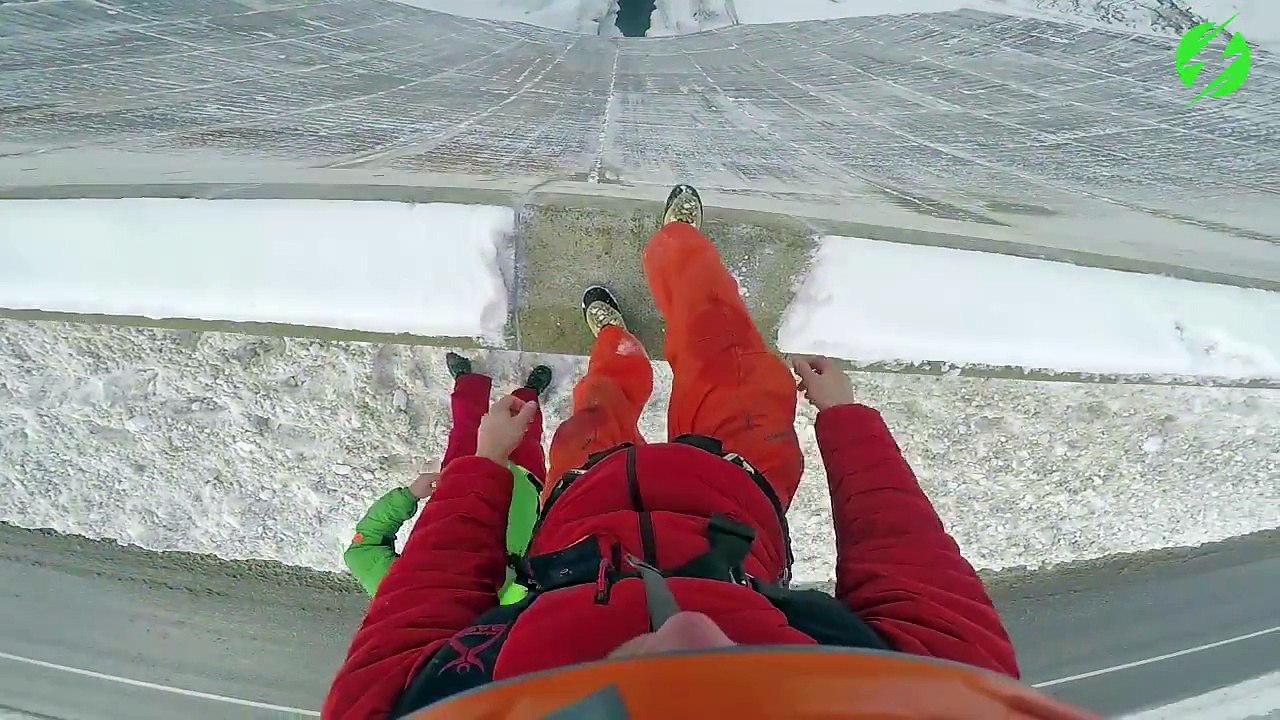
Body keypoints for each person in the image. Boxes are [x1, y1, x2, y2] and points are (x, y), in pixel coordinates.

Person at [322, 185, 1020, 720]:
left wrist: (481, 469)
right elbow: (916, 575)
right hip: (738, 489)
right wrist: (847, 420)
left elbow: (424, 598)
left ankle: (616, 340)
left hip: (582, 500)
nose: (691, 629)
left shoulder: (394, 709)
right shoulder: (951, 703)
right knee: (728, 348)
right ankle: (680, 245)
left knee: (602, 397)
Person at [341, 352, 551, 604]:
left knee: (467, 429)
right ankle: (529, 395)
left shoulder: (395, 599)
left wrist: (408, 496)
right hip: (521, 495)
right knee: (526, 436)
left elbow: (363, 550)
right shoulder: (501, 627)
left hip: (459, 487)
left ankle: (468, 383)